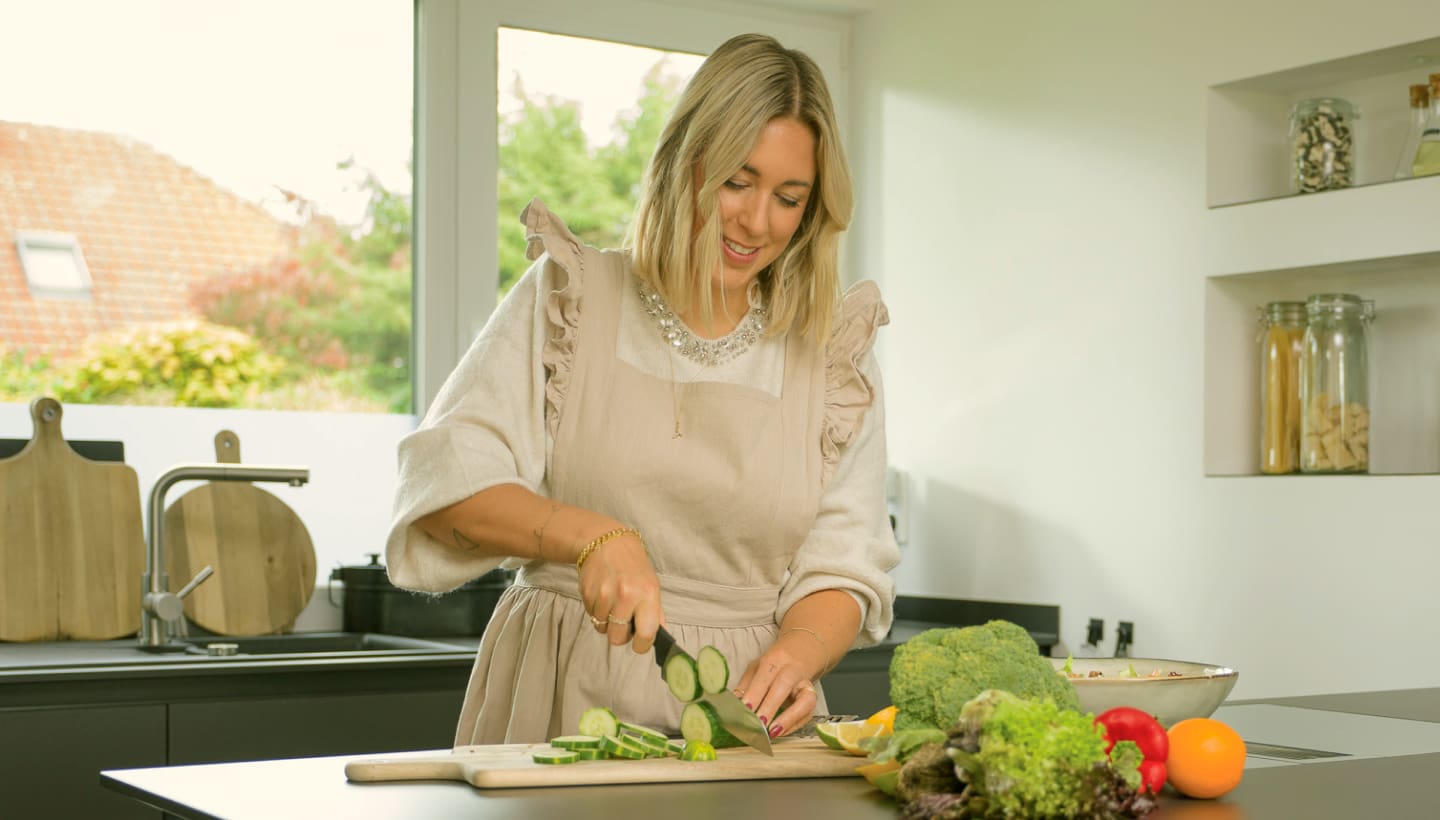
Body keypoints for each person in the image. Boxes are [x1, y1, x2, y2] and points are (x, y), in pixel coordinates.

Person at [385, 32, 900, 746]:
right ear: (683, 166)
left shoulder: (831, 354)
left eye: (789, 197)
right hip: (562, 691)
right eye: (736, 182)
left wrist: (798, 654)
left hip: (744, 723)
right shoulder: (571, 302)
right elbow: (445, 490)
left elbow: (845, 561)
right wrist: (592, 536)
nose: (757, 222)